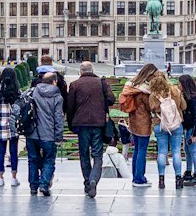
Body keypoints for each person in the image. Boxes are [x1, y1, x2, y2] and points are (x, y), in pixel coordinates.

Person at [66, 61, 116, 198]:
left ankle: (88, 181)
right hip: (99, 123)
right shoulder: (101, 83)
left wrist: (71, 124)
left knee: (84, 155)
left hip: (82, 124)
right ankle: (93, 180)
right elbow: (112, 99)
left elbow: (69, 107)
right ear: (92, 70)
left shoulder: (75, 85)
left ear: (80, 71)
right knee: (97, 154)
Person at [119, 63, 158, 187]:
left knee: (136, 149)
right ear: (149, 74)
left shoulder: (133, 85)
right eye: (154, 75)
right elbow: (150, 107)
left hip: (133, 121)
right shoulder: (144, 91)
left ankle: (136, 176)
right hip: (143, 122)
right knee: (142, 150)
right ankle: (139, 178)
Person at [27, 72, 65, 196]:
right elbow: (58, 118)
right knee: (49, 160)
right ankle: (44, 185)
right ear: (54, 82)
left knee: (32, 160)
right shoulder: (57, 96)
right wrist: (59, 136)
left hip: (32, 132)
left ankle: (33, 186)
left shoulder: (33, 92)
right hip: (48, 134)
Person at [148, 72, 186, 189]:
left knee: (162, 152)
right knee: (176, 152)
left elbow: (151, 109)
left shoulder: (153, 95)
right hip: (176, 124)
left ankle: (161, 179)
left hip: (160, 125)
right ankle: (178, 179)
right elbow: (184, 106)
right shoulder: (175, 91)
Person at [0, 67, 21, 187]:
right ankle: (14, 177)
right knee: (13, 152)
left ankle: (0, 177)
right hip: (13, 125)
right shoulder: (16, 92)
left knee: (1, 152)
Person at [179, 74, 196, 187]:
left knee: (194, 150)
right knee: (187, 149)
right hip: (189, 126)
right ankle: (189, 171)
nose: (178, 85)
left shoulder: (194, 97)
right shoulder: (188, 96)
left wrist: (194, 134)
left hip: (193, 126)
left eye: (179, 83)